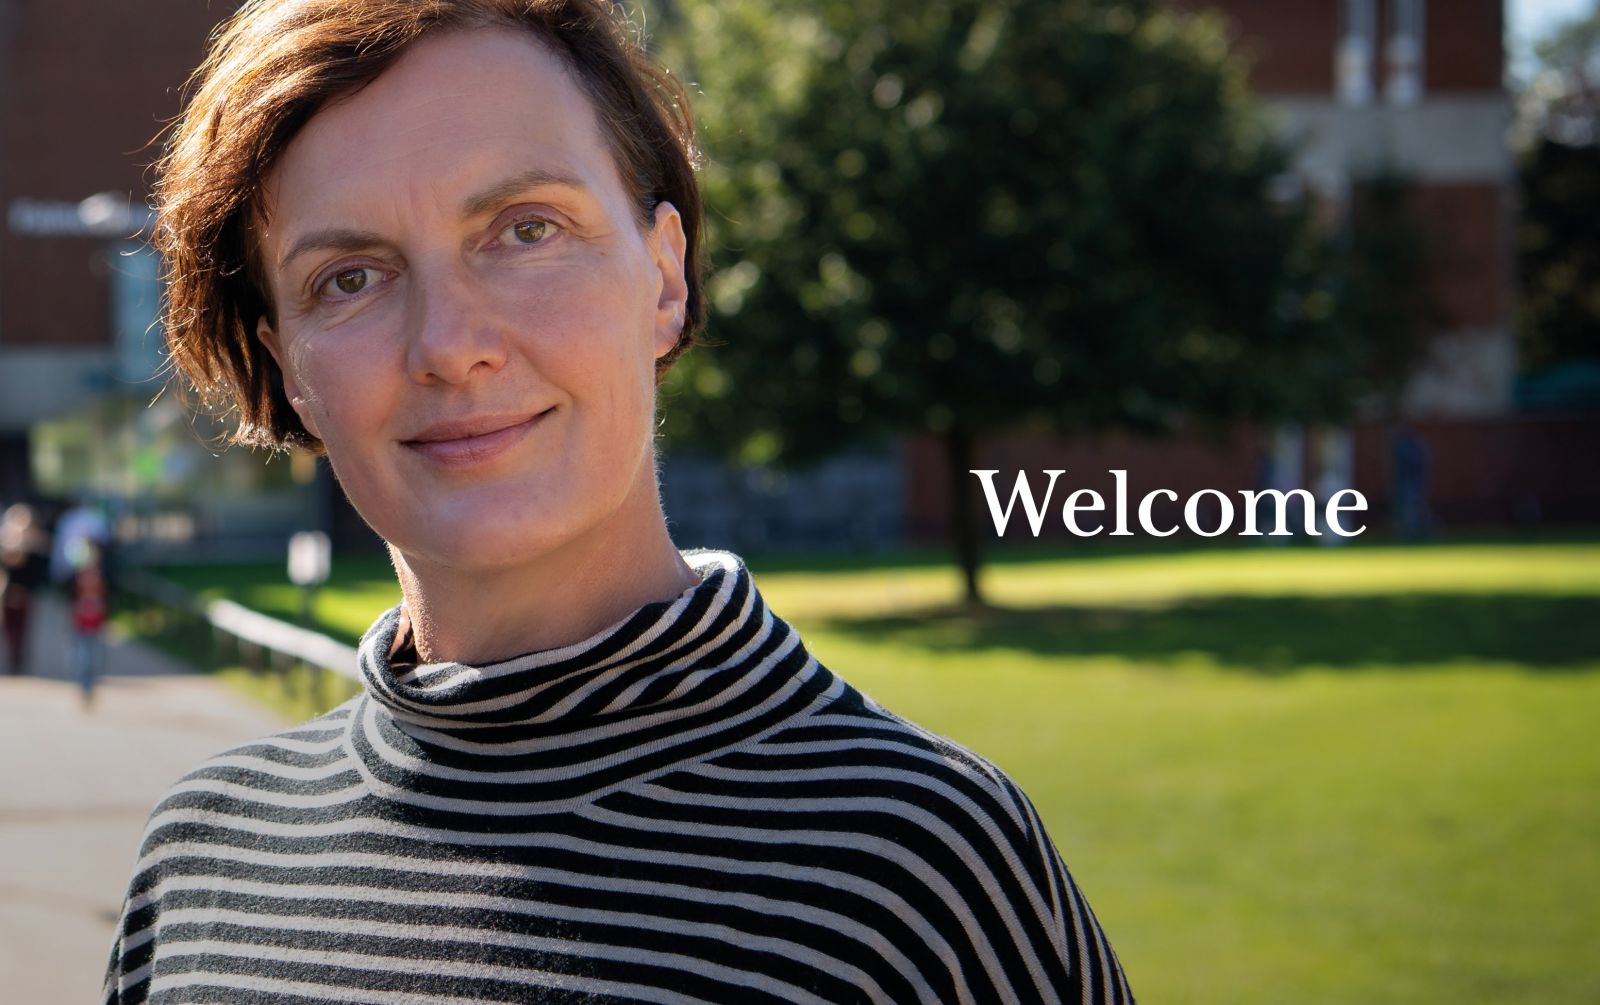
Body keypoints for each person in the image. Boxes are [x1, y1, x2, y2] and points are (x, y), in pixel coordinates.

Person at [104, 2, 1133, 1002]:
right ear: (289, 373)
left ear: (664, 276)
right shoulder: (202, 862)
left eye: (526, 230)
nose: (449, 346)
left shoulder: (916, 863)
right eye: (350, 278)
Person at [0, 503, 50, 676]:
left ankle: (19, 662)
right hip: (10, 594)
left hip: (26, 594)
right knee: (10, 631)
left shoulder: (35, 544)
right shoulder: (6, 543)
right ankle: (13, 661)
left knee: (22, 631)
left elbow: (40, 570)